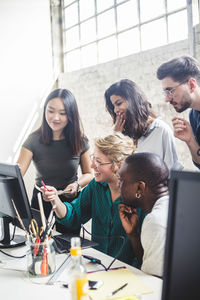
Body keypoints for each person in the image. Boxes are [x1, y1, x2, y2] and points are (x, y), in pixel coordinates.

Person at [41, 132, 145, 266]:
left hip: (127, 272)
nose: (92, 166)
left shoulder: (140, 198)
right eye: (93, 159)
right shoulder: (96, 186)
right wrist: (55, 199)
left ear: (119, 165)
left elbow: (144, 254)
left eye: (99, 162)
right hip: (97, 265)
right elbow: (73, 216)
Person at [17, 88, 93, 233]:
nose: (55, 117)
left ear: (71, 115)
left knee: (69, 248)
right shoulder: (33, 140)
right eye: (50, 111)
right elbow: (17, 174)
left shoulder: (80, 141)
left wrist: (77, 185)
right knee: (39, 247)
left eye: (62, 113)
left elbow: (89, 174)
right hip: (40, 200)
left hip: (69, 203)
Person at [104, 79, 183, 172]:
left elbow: (172, 171)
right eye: (113, 106)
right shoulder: (124, 135)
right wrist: (116, 137)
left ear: (133, 101)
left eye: (118, 103)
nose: (115, 110)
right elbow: (112, 171)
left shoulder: (161, 130)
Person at [118, 152, 169, 277]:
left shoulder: (156, 221)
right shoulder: (171, 205)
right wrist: (133, 234)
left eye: (121, 181)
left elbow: (153, 283)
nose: (118, 186)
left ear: (140, 188)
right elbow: (150, 268)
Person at [157, 55, 200, 169]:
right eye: (165, 93)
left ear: (191, 84)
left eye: (170, 91)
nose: (167, 99)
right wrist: (190, 140)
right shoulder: (193, 115)